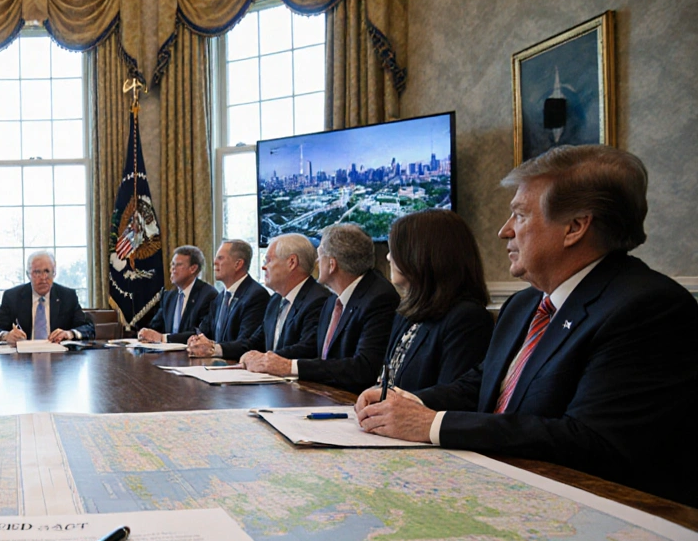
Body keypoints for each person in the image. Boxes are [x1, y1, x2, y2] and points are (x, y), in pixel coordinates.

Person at [356, 145, 698, 506]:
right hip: (502, 491)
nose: (504, 231)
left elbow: (590, 440)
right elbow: (482, 385)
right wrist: (405, 401)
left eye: (519, 215)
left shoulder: (648, 308)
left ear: (575, 227)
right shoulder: (524, 304)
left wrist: (432, 424)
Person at [243, 223, 398, 392]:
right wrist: (266, 360)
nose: (316, 262)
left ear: (332, 265)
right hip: (323, 393)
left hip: (352, 400)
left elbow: (363, 368)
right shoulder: (332, 299)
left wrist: (289, 366)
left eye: (320, 256)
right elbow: (313, 350)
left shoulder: (379, 297)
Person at [375, 210, 493, 391]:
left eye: (395, 250)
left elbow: (452, 398)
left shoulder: (467, 319)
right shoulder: (406, 312)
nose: (388, 257)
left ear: (420, 255)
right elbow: (387, 382)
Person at [233, 233, 331, 359]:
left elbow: (307, 349)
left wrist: (264, 359)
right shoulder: (275, 300)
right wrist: (215, 349)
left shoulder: (319, 300)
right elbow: (254, 343)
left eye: (269, 260)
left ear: (292, 262)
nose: (263, 267)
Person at [178, 239, 270, 358]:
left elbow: (247, 344)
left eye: (220, 258)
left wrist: (213, 349)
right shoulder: (219, 297)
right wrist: (196, 340)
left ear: (238, 264)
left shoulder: (256, 295)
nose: (214, 262)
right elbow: (204, 331)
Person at [0, 251, 95, 345]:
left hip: (59, 357)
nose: (43, 278)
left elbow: (88, 328)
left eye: (47, 271)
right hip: (23, 358)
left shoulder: (67, 296)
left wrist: (69, 334)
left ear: (54, 273)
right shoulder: (12, 297)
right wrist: (6, 336)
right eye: (37, 272)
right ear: (28, 274)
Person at [136, 246, 217, 342]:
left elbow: (201, 333)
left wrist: (164, 338)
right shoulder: (168, 297)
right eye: (172, 264)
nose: (172, 269)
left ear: (193, 268)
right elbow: (155, 327)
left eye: (178, 265)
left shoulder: (208, 295)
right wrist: (146, 333)